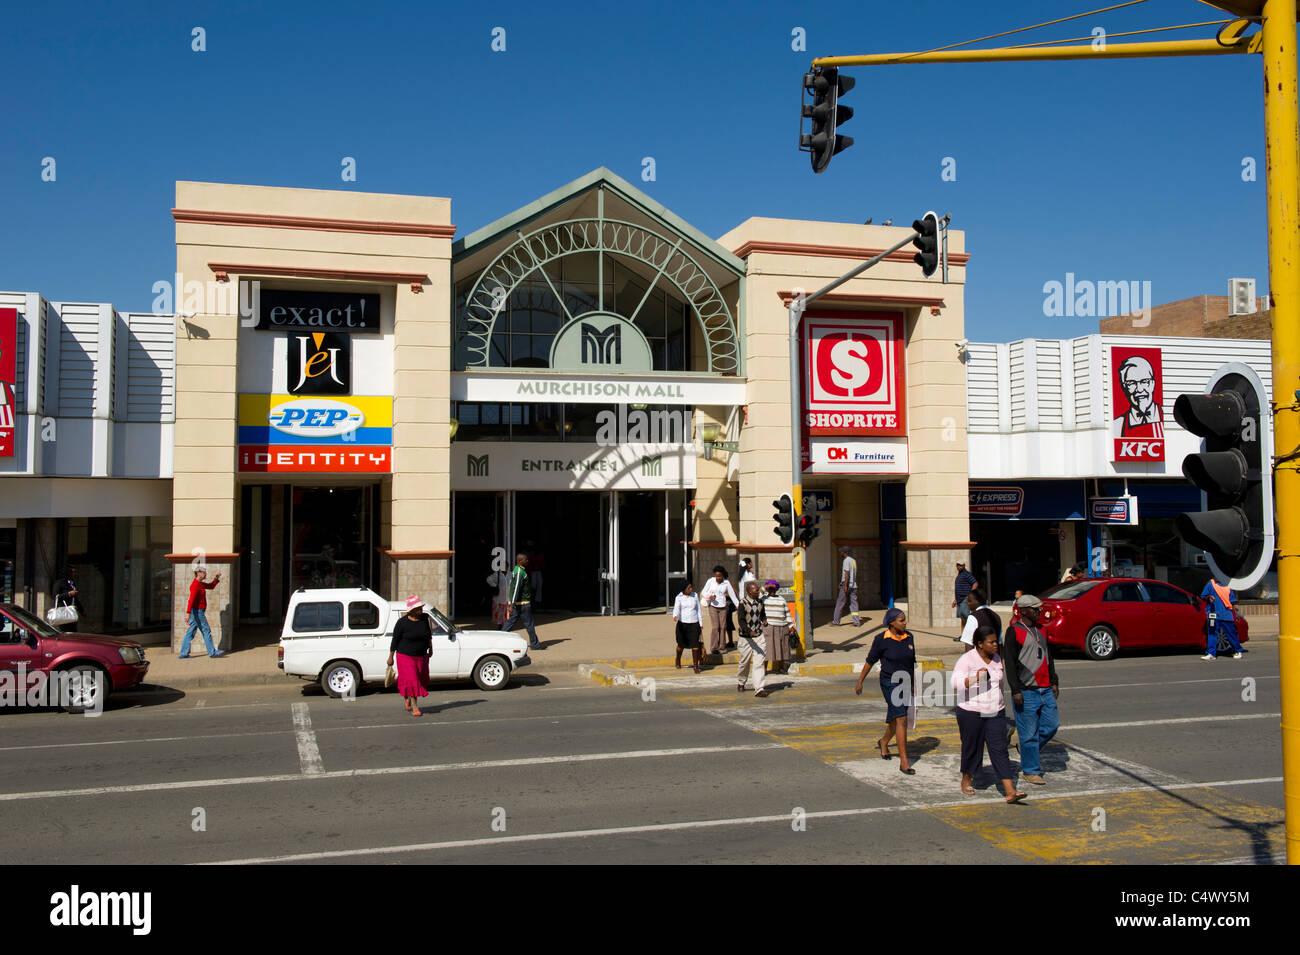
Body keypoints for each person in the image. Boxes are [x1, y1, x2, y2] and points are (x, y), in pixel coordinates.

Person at [952, 625, 1026, 803]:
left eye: (996, 641)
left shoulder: (997, 659)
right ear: (979, 644)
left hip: (995, 712)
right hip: (971, 712)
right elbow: (955, 684)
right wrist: (976, 678)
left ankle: (1010, 791)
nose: (995, 645)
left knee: (999, 749)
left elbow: (999, 684)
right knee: (972, 748)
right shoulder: (967, 660)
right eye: (991, 642)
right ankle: (967, 779)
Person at [1004, 594, 1059, 786]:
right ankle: (1031, 770)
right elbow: (1009, 663)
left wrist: (1054, 681)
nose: (1039, 611)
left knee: (1052, 725)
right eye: (1035, 609)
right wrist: (1015, 689)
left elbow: (1048, 657)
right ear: (1024, 610)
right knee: (1028, 732)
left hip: (1045, 687)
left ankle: (1027, 749)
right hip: (1026, 690)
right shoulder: (1014, 631)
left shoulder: (1042, 630)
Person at [856, 607, 917, 774]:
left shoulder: (909, 637)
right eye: (901, 620)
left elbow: (912, 662)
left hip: (905, 682)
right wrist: (860, 681)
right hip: (889, 682)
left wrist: (913, 684)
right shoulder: (881, 639)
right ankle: (904, 762)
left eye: (905, 620)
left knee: (896, 719)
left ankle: (883, 742)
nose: (905, 623)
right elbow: (870, 661)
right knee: (901, 719)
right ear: (891, 623)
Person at [387, 595, 433, 716]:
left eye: (421, 608)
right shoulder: (402, 623)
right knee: (413, 680)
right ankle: (415, 707)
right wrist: (391, 656)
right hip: (405, 656)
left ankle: (407, 697)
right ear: (411, 610)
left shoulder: (424, 619)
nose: (421, 610)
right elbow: (395, 640)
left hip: (421, 656)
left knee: (420, 679)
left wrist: (431, 648)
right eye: (418, 608)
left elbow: (428, 635)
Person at [1111, 354, 1164, 438]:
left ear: (1153, 384)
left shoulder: (1167, 417)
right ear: (1124, 387)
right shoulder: (1117, 426)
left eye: (1144, 381)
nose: (1139, 389)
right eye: (1132, 383)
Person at [179, 567, 225, 659]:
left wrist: (216, 578)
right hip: (197, 612)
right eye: (204, 572)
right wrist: (188, 613)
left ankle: (184, 653)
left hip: (196, 611)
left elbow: (211, 586)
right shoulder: (195, 585)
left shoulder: (200, 584)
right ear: (198, 573)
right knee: (206, 630)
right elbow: (191, 600)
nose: (206, 574)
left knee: (191, 631)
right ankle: (212, 652)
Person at [500, 552, 540, 650]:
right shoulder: (519, 572)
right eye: (526, 559)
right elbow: (516, 589)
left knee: (510, 623)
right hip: (522, 604)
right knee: (529, 624)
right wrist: (512, 605)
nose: (527, 561)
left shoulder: (518, 570)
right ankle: (535, 645)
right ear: (520, 561)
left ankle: (499, 639)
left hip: (519, 604)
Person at [736, 580, 768, 697]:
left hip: (759, 636)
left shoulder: (760, 602)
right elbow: (741, 620)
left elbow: (762, 614)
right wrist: (749, 632)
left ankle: (759, 688)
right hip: (746, 638)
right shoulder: (742, 603)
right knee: (744, 663)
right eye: (756, 590)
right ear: (750, 591)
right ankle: (741, 681)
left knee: (759, 663)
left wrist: (764, 621)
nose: (758, 591)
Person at [1200, 578, 1243, 660]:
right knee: (1212, 633)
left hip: (1226, 614)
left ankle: (1237, 650)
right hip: (1213, 613)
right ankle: (1211, 653)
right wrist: (1209, 597)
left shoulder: (1229, 585)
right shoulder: (1210, 584)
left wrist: (1236, 613)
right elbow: (1203, 596)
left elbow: (1232, 601)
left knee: (1231, 633)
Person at [700, 566, 738, 656]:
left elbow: (732, 595)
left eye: (720, 576)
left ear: (723, 575)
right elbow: (703, 591)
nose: (718, 578)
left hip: (723, 607)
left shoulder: (726, 583)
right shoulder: (710, 581)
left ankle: (722, 647)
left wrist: (738, 605)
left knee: (723, 627)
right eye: (716, 576)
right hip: (713, 606)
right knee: (715, 627)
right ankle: (714, 648)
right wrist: (709, 596)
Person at [761, 579, 795, 674]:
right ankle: (764, 668)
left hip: (782, 626)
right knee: (767, 648)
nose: (772, 591)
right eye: (770, 589)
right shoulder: (763, 598)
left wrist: (790, 625)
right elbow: (758, 599)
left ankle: (781, 668)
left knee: (781, 648)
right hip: (769, 627)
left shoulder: (781, 599)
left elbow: (787, 612)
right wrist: (765, 588)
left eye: (773, 589)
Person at [672, 581, 704, 673]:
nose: (691, 589)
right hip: (683, 624)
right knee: (680, 645)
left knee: (695, 646)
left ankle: (695, 666)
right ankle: (678, 659)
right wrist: (675, 615)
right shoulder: (679, 597)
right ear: (684, 590)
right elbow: (676, 608)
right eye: (689, 588)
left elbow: (698, 610)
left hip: (694, 623)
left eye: (691, 587)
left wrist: (700, 624)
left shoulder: (695, 595)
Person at [832, 546, 860, 627]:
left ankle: (836, 621)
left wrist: (845, 585)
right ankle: (856, 622)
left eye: (841, 552)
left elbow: (847, 573)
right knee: (854, 604)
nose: (840, 553)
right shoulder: (853, 561)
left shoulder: (846, 561)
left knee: (840, 603)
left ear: (844, 552)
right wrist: (842, 582)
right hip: (853, 585)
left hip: (847, 585)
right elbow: (852, 573)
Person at [51, 567, 84, 632]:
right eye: (72, 572)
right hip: (64, 611)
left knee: (73, 630)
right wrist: (69, 594)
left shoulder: (72, 583)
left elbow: (75, 599)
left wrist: (81, 610)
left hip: (71, 611)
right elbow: (55, 596)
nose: (74, 574)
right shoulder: (59, 582)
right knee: (65, 630)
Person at [952, 562, 978, 636]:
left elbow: (975, 583)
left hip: (964, 599)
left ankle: (968, 635)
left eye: (961, 565)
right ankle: (963, 636)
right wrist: (955, 600)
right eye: (958, 565)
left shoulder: (966, 574)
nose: (959, 566)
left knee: (966, 618)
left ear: (964, 566)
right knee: (963, 619)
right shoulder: (960, 575)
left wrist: (969, 595)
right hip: (959, 600)